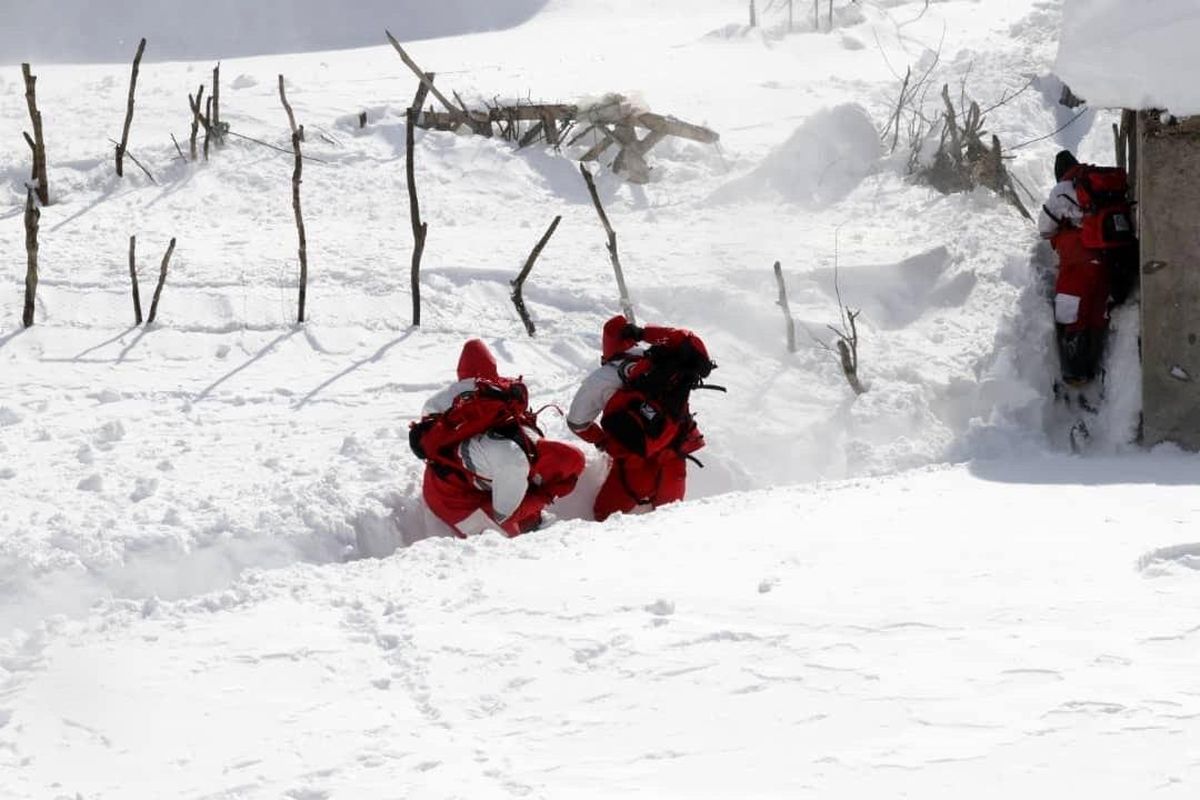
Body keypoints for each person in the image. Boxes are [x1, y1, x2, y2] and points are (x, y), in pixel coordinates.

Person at [412, 339, 585, 538]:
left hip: (457, 480)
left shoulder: (444, 399)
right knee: (502, 541)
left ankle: (525, 515)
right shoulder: (514, 454)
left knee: (518, 500)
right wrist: (546, 495)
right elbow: (505, 515)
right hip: (454, 499)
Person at [567, 315, 719, 522]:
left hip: (634, 465)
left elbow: (577, 422)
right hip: (674, 456)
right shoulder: (662, 358)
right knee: (673, 520)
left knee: (602, 518)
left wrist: (602, 441)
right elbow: (686, 338)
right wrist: (644, 332)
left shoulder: (600, 379)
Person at [1038, 149, 1132, 387]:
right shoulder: (1095, 185)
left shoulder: (1062, 190)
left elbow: (1045, 228)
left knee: (1071, 313)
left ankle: (1076, 374)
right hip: (1106, 258)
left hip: (1078, 261)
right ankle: (1096, 363)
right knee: (1095, 311)